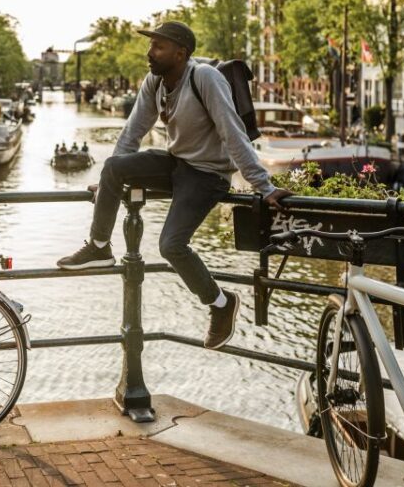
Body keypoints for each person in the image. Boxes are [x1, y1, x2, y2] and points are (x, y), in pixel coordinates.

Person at [56, 21, 290, 350]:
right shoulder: (155, 81)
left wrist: (263, 186)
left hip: (208, 174)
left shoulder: (205, 78)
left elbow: (233, 133)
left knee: (171, 245)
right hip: (177, 163)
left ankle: (221, 304)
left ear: (180, 54)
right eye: (150, 45)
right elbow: (133, 131)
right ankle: (99, 247)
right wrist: (107, 184)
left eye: (158, 46)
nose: (149, 52)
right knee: (113, 167)